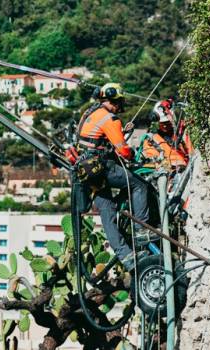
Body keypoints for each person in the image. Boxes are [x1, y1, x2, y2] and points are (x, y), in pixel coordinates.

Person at [77, 83, 150, 272]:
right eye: (119, 103)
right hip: (102, 167)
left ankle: (126, 257)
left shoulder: (90, 113)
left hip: (86, 171)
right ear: (114, 101)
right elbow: (123, 151)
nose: (120, 107)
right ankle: (142, 232)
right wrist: (134, 156)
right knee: (139, 185)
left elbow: (96, 140)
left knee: (107, 212)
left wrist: (123, 134)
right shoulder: (110, 118)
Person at [141, 98, 193, 170]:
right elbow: (150, 162)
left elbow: (191, 153)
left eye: (167, 123)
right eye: (162, 123)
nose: (165, 126)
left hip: (186, 171)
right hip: (167, 174)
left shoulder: (181, 134)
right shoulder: (151, 140)